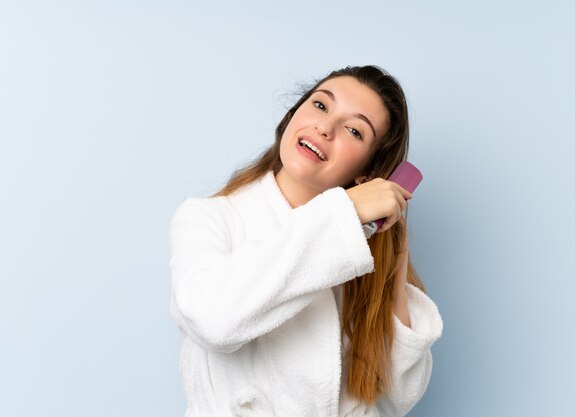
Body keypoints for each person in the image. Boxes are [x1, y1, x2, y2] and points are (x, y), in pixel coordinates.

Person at [168, 65, 443, 417]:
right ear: (292, 116)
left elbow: (396, 398)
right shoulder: (207, 219)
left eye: (354, 131)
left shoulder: (358, 252)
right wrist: (344, 214)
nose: (324, 128)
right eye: (320, 105)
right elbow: (214, 320)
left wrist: (395, 262)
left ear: (367, 174)